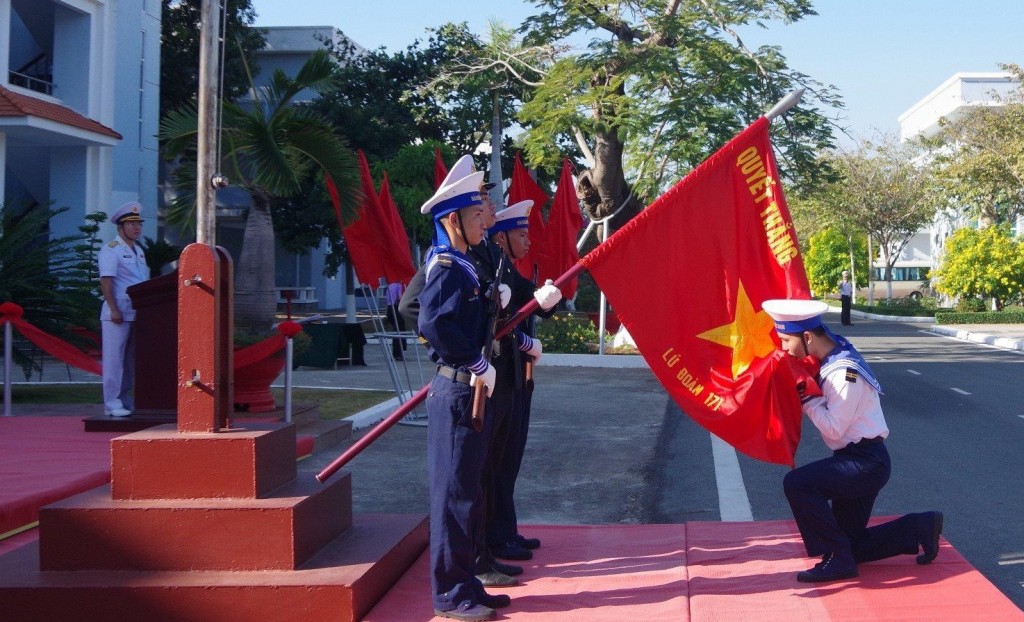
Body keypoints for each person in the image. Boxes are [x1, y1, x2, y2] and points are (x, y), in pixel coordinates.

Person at [762, 299, 943, 584]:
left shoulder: (843, 374)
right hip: (857, 459)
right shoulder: (834, 352)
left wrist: (806, 398)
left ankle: (836, 560)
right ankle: (919, 527)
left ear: (807, 337)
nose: (784, 348)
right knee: (851, 544)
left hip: (864, 463)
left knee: (797, 483)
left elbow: (834, 429)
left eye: (786, 340)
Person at [417, 163, 507, 621]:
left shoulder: (466, 266)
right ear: (453, 221)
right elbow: (431, 323)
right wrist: (473, 361)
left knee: (468, 494)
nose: (480, 222)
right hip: (456, 392)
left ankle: (467, 581)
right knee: (453, 498)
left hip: (469, 391)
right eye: (474, 216)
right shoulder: (447, 267)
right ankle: (450, 596)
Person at [485, 200, 560, 563]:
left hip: (516, 379)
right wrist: (517, 341)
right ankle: (493, 540)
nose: (529, 241)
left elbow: (533, 301)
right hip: (491, 379)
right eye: (521, 233)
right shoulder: (485, 264)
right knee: (493, 464)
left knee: (508, 461)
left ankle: (505, 530)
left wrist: (549, 299)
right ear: (502, 236)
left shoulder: (505, 267)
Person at [98, 202, 149, 417]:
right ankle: (112, 403)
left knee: (130, 361)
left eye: (138, 224)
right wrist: (114, 309)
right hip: (117, 312)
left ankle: (126, 400)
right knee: (114, 360)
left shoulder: (138, 251)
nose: (136, 228)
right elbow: (106, 281)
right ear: (120, 228)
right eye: (131, 224)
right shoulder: (111, 250)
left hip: (137, 311)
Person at [384, 281, 407, 360]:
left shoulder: (389, 286)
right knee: (400, 331)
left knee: (395, 331)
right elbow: (400, 298)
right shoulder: (399, 286)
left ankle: (396, 352)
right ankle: (399, 353)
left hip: (390, 309)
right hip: (396, 309)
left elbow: (387, 301)